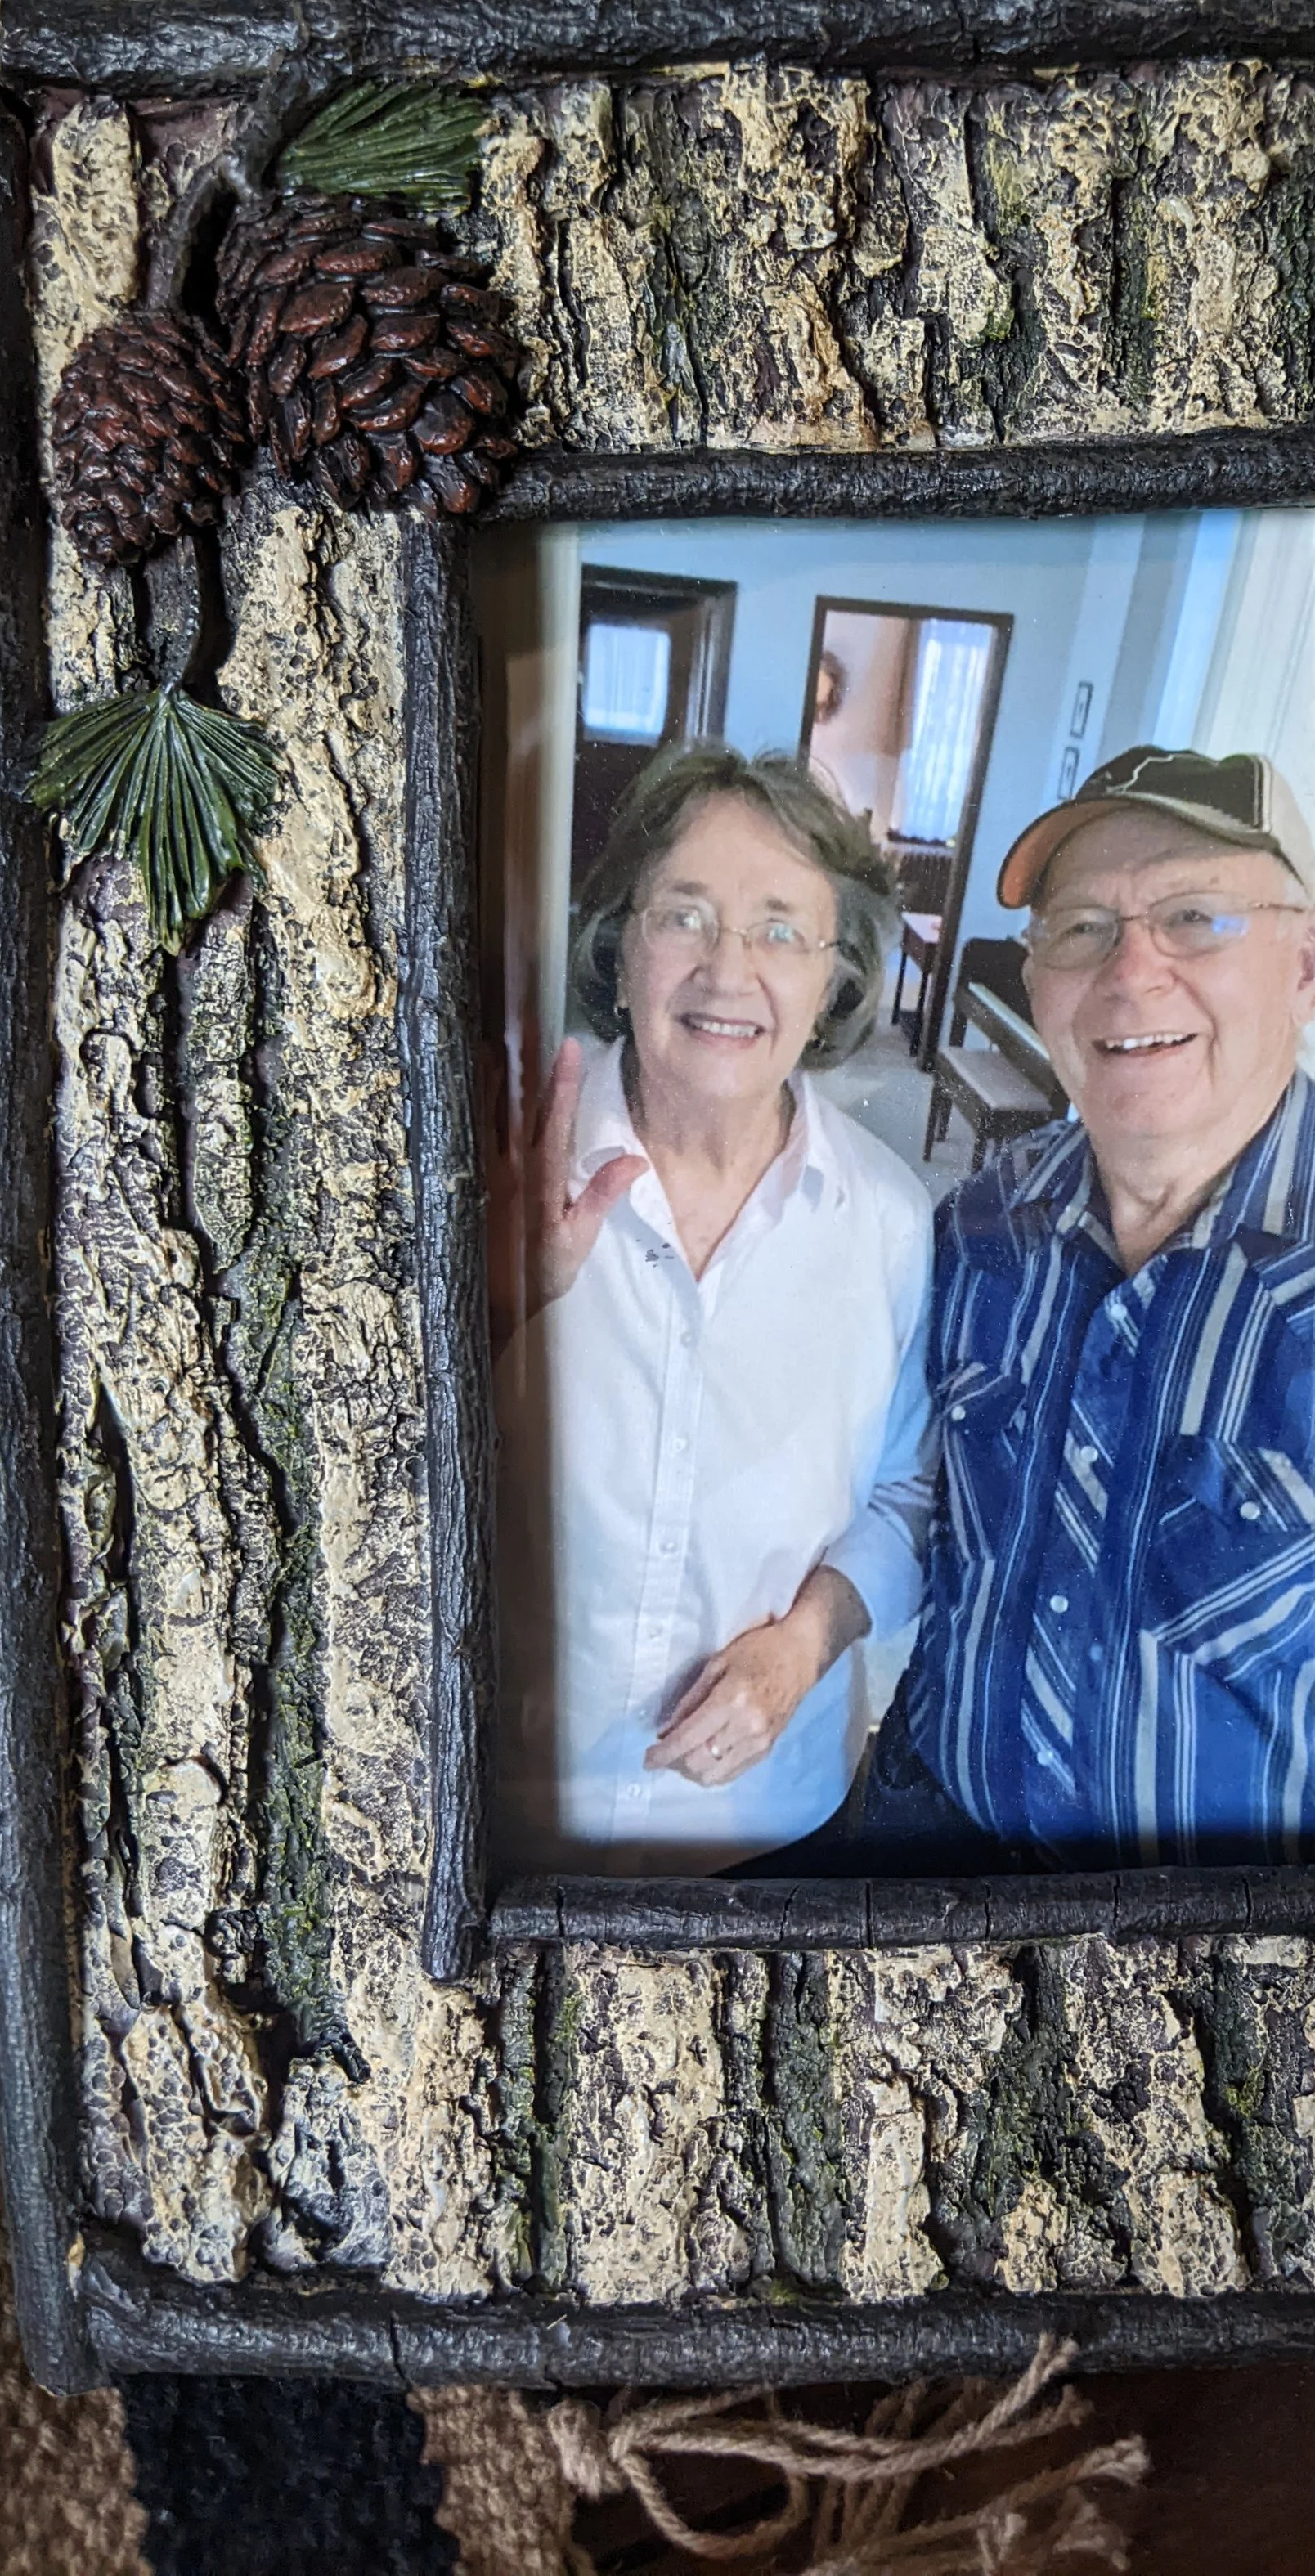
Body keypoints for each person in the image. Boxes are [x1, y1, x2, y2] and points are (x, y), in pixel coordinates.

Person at [860, 744, 1315, 1873]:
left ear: (1309, 965)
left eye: (1195, 918)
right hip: (922, 1835)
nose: (1132, 973)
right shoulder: (975, 1229)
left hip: (1220, 1950)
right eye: (1082, 928)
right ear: (1034, 979)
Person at [489, 747, 934, 1878]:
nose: (729, 970)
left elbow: (908, 1493)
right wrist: (495, 1301)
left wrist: (801, 1649)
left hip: (770, 1822)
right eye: (685, 916)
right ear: (622, 948)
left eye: (782, 928)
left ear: (835, 980)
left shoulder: (887, 1217)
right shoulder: (503, 1170)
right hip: (514, 1802)